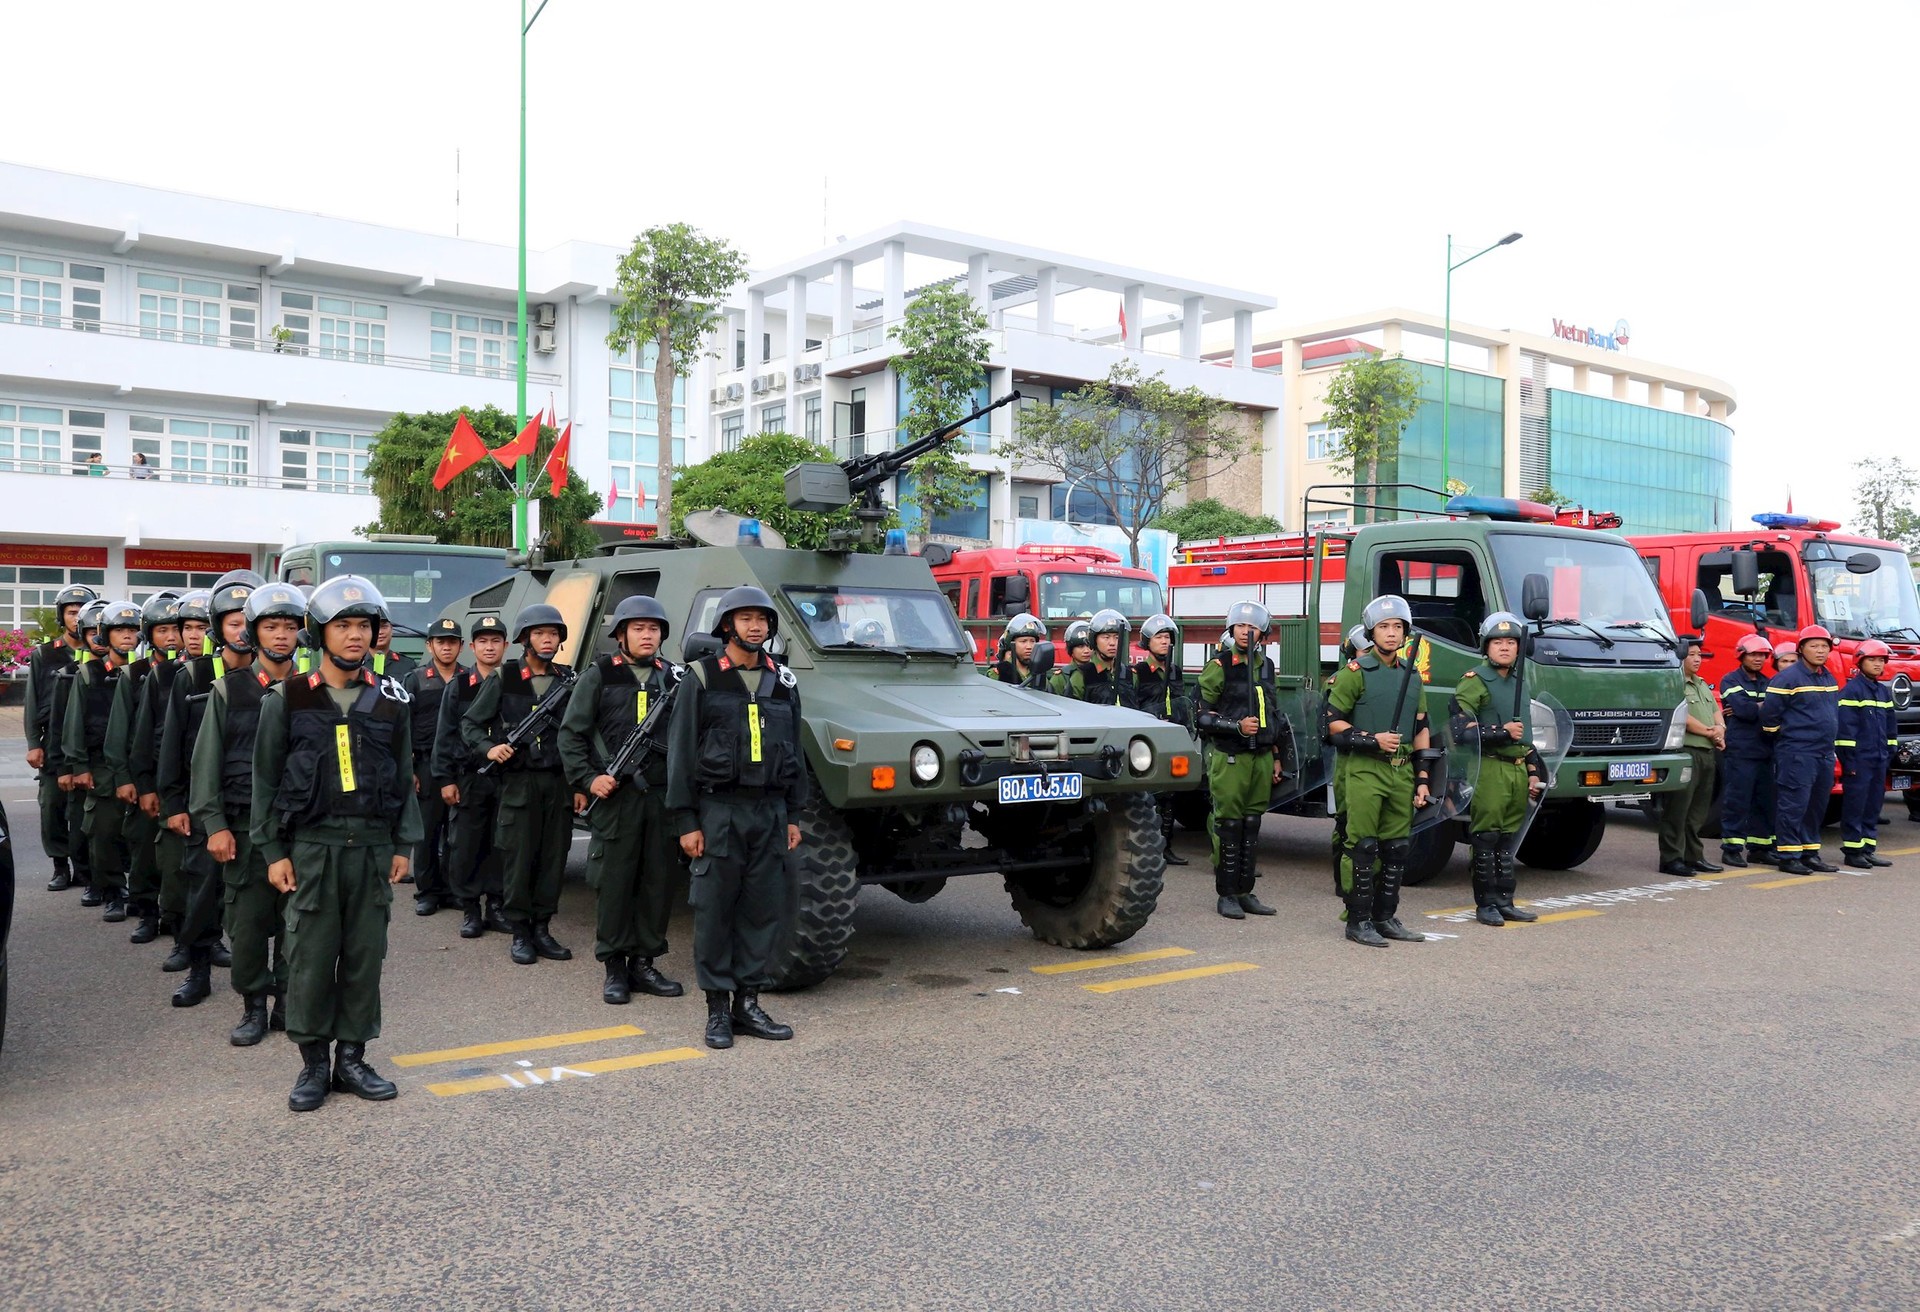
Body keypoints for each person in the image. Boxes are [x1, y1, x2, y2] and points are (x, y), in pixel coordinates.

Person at [254, 575, 422, 1112]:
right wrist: (273, 852)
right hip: (312, 849)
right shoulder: (288, 699)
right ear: (319, 633)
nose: (355, 635)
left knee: (363, 958)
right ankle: (312, 1065)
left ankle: (352, 1057)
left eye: (364, 626)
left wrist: (404, 844)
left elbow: (403, 777)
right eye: (343, 625)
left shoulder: (389, 702)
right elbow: (265, 780)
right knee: (308, 957)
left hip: (371, 847)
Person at [666, 585, 805, 1050]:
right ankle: (717, 1011)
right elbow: (681, 754)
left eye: (762, 619)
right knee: (714, 913)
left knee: (761, 911)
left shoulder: (782, 681)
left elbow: (795, 754)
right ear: (727, 625)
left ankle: (748, 1003)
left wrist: (793, 813)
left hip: (769, 813)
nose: (755, 626)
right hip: (719, 811)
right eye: (745, 618)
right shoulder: (701, 679)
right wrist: (686, 820)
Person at [183, 583, 304, 1044]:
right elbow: (206, 763)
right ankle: (253, 1005)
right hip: (243, 829)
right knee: (248, 925)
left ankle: (288, 1003)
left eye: (289, 627)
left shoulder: (310, 689)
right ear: (253, 633)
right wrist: (213, 825)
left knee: (296, 922)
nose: (280, 636)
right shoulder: (228, 690)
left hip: (296, 829)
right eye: (271, 627)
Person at [560, 596, 686, 1006]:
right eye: (638, 628)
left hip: (662, 798)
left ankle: (645, 962)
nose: (647, 635)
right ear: (621, 635)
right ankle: (615, 966)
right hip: (616, 799)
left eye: (653, 629)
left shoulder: (674, 679)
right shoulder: (599, 675)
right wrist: (589, 778)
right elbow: (571, 734)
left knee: (658, 882)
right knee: (615, 884)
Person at [159, 570, 262, 993]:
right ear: (219, 627)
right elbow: (172, 746)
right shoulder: (193, 677)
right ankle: (198, 970)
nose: (240, 630)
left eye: (247, 621)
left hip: (254, 804)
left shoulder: (277, 678)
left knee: (252, 897)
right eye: (232, 622)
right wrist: (173, 803)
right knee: (202, 887)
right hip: (203, 803)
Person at [460, 602, 577, 965]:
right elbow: (470, 724)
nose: (547, 639)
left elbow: (584, 733)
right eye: (540, 633)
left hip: (557, 783)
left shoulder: (568, 679)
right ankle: (521, 932)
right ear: (526, 639)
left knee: (553, 858)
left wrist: (581, 785)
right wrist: (490, 749)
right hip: (519, 783)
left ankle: (542, 927)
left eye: (553, 633)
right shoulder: (504, 677)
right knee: (519, 859)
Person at [1326, 595, 1433, 948]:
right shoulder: (1354, 673)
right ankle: (1358, 920)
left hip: (1401, 771)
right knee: (1363, 845)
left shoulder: (1412, 677)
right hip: (1364, 769)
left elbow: (1421, 729)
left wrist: (1422, 778)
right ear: (1372, 632)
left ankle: (1386, 916)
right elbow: (1332, 724)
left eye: (1398, 627)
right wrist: (1372, 739)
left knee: (1396, 847)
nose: (1391, 633)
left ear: (1406, 633)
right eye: (1384, 627)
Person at [1450, 613, 1548, 926]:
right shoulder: (1474, 681)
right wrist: (1501, 732)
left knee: (1508, 840)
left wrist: (1533, 770)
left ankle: (1506, 900)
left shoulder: (1521, 681)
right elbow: (1459, 730)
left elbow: (1526, 737)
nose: (1505, 648)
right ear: (1486, 646)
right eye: (1498, 642)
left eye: (1510, 642)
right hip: (1490, 768)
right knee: (1487, 837)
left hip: (1517, 770)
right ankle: (1486, 903)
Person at [1194, 601, 1287, 919]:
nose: (1247, 631)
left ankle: (1246, 891)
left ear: (1262, 631)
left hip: (1261, 756)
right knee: (1229, 825)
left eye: (1253, 626)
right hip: (1231, 756)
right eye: (1241, 626)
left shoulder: (1266, 666)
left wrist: (1276, 754)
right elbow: (1201, 716)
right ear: (1231, 629)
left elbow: (1273, 712)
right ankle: (1227, 894)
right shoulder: (1219, 665)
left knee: (1252, 824)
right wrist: (1235, 726)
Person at [130, 589, 210, 955]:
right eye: (188, 627)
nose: (194, 635)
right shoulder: (163, 674)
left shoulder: (236, 675)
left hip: (214, 791)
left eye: (203, 627)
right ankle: (181, 940)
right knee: (175, 868)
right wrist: (147, 785)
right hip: (174, 785)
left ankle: (211, 939)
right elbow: (146, 735)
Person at [61, 599, 145, 922]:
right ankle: (111, 891)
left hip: (138, 766)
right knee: (103, 832)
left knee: (139, 835)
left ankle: (140, 895)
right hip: (101, 767)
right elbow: (74, 724)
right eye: (119, 630)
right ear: (104, 636)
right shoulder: (89, 674)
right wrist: (78, 766)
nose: (127, 636)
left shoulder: (145, 672)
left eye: (132, 630)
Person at [106, 592, 181, 944]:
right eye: (162, 630)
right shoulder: (134, 673)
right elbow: (121, 731)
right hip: (145, 773)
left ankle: (178, 918)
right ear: (148, 634)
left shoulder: (191, 671)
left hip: (178, 778)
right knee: (144, 851)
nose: (171, 637)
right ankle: (147, 914)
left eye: (175, 629)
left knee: (178, 856)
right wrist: (125, 777)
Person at [434, 615, 511, 939]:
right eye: (483, 641)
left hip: (505, 778)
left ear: (506, 646)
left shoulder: (514, 682)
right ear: (473, 647)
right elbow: (446, 733)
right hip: (469, 776)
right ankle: (469, 909)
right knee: (465, 845)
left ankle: (495, 905)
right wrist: (445, 778)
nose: (490, 647)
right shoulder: (459, 685)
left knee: (500, 844)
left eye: (496, 641)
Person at [23, 583, 96, 892]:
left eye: (83, 612)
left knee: (83, 810)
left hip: (87, 745)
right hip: (52, 744)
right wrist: (32, 744)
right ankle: (59, 866)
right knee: (52, 806)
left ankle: (83, 867)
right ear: (62, 616)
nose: (77, 618)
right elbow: (32, 699)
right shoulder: (45, 654)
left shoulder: (98, 654)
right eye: (71, 612)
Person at [1762, 624, 1841, 875]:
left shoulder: (1827, 676)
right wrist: (1787, 740)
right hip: (1798, 753)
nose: (1820, 651)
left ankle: (1809, 853)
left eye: (1824, 646)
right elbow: (1769, 715)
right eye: (1814, 646)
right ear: (1801, 649)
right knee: (1793, 804)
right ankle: (1789, 855)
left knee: (1816, 805)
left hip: (1824, 753)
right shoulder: (1787, 678)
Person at [401, 619, 466, 917]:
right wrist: (410, 769)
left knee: (457, 832)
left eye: (452, 641)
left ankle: (452, 889)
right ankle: (427, 892)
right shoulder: (415, 679)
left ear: (461, 646)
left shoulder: (470, 678)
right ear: (430, 645)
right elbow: (402, 727)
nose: (446, 646)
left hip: (461, 765)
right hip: (425, 764)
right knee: (427, 832)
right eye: (440, 641)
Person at [1657, 637, 1725, 877]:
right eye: (1692, 654)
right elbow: (1682, 716)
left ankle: (1693, 857)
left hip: (1707, 752)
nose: (1697, 659)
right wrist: (1710, 732)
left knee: (1698, 811)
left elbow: (1716, 711)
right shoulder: (1675, 684)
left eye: (1699, 654)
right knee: (1678, 809)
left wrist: (1720, 730)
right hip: (1686, 751)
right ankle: (1671, 858)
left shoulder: (1701, 683)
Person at [1133, 614, 1193, 866]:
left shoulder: (1175, 671)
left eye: (1168, 637)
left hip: (1173, 737)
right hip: (1149, 740)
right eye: (1159, 637)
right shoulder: (1138, 672)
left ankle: (1165, 846)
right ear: (1147, 642)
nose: (1164, 642)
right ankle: (1145, 848)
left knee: (1170, 795)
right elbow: (1132, 707)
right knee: (1149, 795)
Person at [1717, 633, 1777, 868]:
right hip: (1741, 752)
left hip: (1766, 750)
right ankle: (1731, 849)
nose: (1759, 659)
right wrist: (1763, 706)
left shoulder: (1769, 681)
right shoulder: (1730, 680)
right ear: (1742, 655)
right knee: (1737, 801)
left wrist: (1756, 707)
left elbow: (1774, 709)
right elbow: (1744, 711)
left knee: (1765, 802)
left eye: (1763, 655)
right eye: (1754, 654)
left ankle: (1760, 849)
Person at [1837, 639, 1897, 869]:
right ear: (1860, 662)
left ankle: (1868, 849)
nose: (1878, 664)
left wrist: (1890, 751)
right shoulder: (1852, 691)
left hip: (1879, 758)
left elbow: (1891, 727)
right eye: (1872, 659)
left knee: (1873, 805)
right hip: (1859, 760)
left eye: (1881, 660)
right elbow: (1845, 731)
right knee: (1856, 805)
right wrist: (1849, 761)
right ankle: (1853, 851)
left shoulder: (1882, 691)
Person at [1065, 609, 1137, 708]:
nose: (1112, 643)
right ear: (1094, 640)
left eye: (1116, 637)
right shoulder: (1082, 676)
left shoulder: (1129, 674)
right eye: (1106, 637)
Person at [987, 613, 1049, 688]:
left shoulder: (1039, 674)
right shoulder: (998, 674)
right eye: (1023, 641)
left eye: (1032, 641)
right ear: (1011, 644)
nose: (1029, 646)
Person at [1046, 621, 1092, 697]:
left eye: (1089, 646)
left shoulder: (1100, 672)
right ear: (1071, 649)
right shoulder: (1061, 677)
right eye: (1080, 646)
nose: (1086, 651)